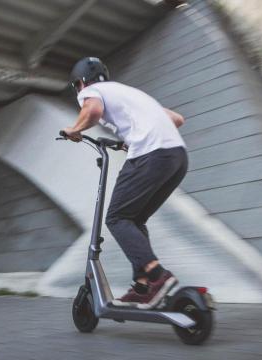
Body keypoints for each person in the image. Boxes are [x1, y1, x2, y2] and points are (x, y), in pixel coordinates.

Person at [62, 57, 188, 309]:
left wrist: (75, 129)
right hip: (177, 158)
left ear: (80, 82)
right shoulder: (129, 93)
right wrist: (129, 139)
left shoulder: (91, 91)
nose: (80, 93)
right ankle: (142, 286)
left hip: (151, 155)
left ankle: (157, 276)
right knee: (134, 220)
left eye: (78, 87)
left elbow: (93, 111)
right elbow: (177, 119)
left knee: (117, 218)